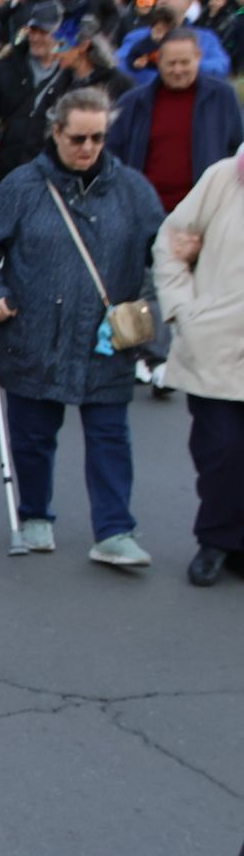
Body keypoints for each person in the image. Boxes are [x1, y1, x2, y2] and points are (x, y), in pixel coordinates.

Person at [0, 88, 165, 567]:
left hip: (106, 336)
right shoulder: (23, 185)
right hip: (35, 330)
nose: (88, 147)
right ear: (56, 132)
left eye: (98, 137)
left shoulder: (134, 189)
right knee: (33, 434)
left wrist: (148, 309)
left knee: (110, 434)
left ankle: (115, 530)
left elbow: (162, 256)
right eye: (78, 137)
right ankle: (35, 515)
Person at [154, 152, 244, 586]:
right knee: (222, 450)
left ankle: (236, 543)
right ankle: (214, 540)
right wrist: (182, 311)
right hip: (215, 343)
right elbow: (171, 242)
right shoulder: (225, 177)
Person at [105, 28, 244, 214]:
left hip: (205, 210)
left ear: (198, 57)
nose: (178, 70)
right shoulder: (133, 104)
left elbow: (237, 150)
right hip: (146, 210)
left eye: (185, 62)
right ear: (159, 60)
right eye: (171, 63)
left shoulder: (222, 97)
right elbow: (113, 156)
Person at [0, 1, 66, 181]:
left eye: (43, 32)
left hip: (53, 169)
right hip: (11, 165)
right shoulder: (8, 65)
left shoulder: (69, 74)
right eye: (33, 31)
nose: (36, 38)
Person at [115, 0, 231, 86]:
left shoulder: (205, 38)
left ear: (188, 3)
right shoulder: (137, 37)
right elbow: (119, 66)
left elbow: (220, 68)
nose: (163, 0)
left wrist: (183, 65)